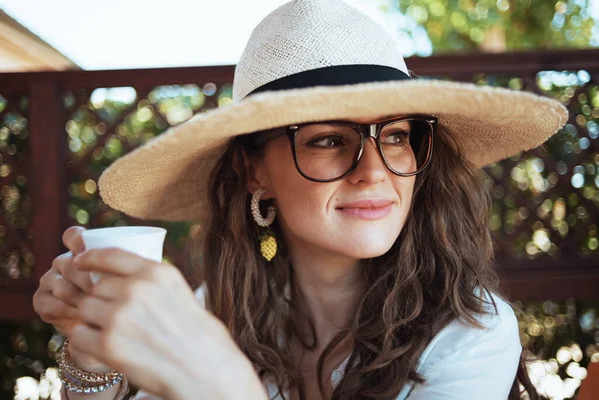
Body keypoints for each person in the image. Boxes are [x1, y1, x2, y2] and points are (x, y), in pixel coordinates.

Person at [33, 0, 568, 399]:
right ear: (252, 170)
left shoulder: (471, 329)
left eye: (398, 136)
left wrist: (223, 384)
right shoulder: (215, 310)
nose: (374, 171)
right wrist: (88, 348)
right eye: (329, 141)